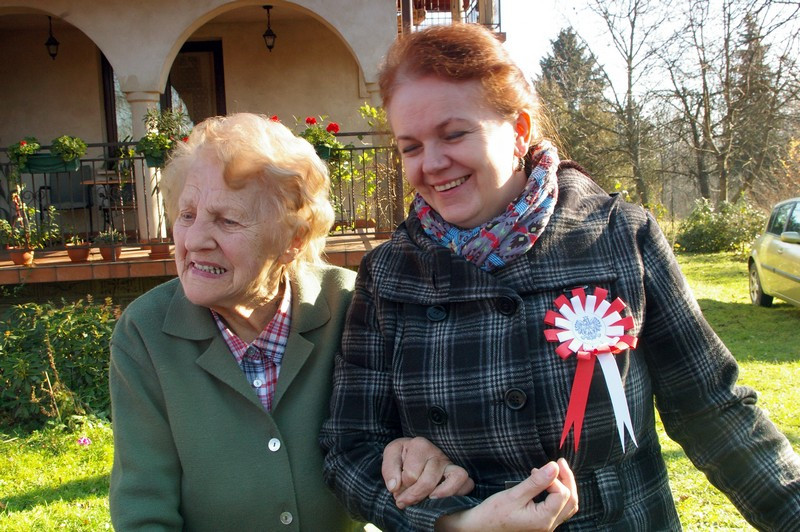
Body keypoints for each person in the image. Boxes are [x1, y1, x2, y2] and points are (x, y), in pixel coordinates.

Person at [320, 24, 800, 531]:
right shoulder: (389, 273)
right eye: (411, 147)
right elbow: (349, 448)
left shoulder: (620, 236)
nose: (433, 163)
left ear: (519, 130)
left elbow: (712, 408)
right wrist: (455, 523)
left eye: (454, 134)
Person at [108, 113, 364, 530]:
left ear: (293, 240)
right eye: (187, 215)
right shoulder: (145, 333)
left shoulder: (350, 305)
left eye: (227, 220)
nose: (194, 241)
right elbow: (144, 507)